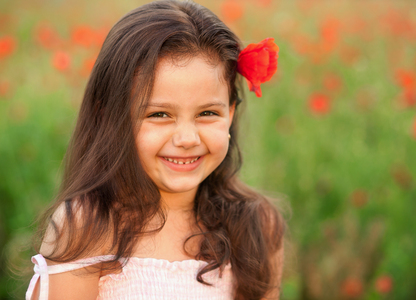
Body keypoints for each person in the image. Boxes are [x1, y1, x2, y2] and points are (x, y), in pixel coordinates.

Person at [26, 0, 285, 299]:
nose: (187, 138)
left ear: (230, 112)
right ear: (110, 116)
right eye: (159, 114)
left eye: (207, 113)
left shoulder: (256, 227)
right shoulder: (88, 226)